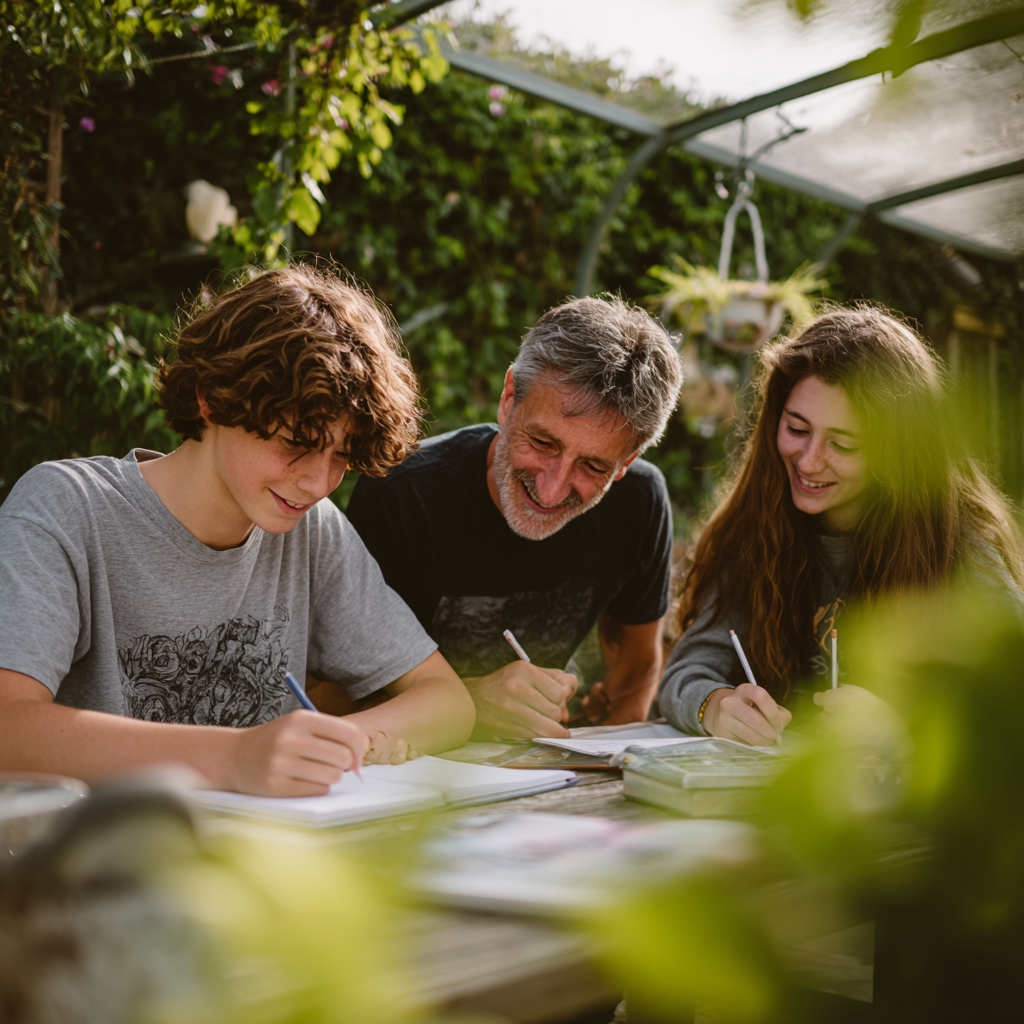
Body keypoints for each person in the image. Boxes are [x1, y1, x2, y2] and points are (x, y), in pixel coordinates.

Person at [0, 265, 475, 794]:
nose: (319, 482)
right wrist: (235, 757)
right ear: (210, 399)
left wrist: (335, 744)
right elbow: (7, 729)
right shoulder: (66, 507)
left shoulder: (311, 530)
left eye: (341, 454)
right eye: (295, 443)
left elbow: (446, 700)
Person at [659, 305, 1024, 746]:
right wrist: (714, 705)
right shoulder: (758, 524)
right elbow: (687, 671)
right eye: (796, 428)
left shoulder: (956, 543)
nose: (809, 461)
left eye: (843, 444)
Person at [344, 296, 684, 740]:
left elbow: (637, 664)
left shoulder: (639, 500)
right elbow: (341, 690)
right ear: (509, 399)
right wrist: (472, 705)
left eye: (594, 467)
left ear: (626, 462)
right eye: (543, 441)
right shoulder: (403, 494)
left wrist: (608, 754)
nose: (552, 488)